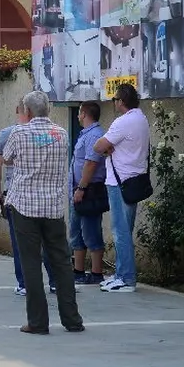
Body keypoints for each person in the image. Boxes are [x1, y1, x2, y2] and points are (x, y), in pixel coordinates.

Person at [2, 91, 85, 334]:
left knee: (31, 263)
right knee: (62, 263)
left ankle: (38, 322)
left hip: (25, 207)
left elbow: (6, 158)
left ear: (27, 111)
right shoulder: (61, 133)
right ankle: (72, 320)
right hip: (53, 207)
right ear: (48, 109)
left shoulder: (19, 133)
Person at [0, 100, 56, 295]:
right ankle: (56, 281)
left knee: (21, 242)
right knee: (48, 240)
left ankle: (24, 284)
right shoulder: (51, 134)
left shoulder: (6, 134)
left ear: (19, 110)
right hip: (45, 194)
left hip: (17, 195)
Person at [93, 83, 150, 293]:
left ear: (121, 101)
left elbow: (98, 146)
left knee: (120, 232)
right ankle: (120, 274)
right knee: (125, 230)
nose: (114, 103)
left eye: (115, 99)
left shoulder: (123, 122)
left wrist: (108, 148)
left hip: (119, 182)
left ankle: (126, 279)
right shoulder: (141, 118)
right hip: (133, 180)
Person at [70, 100, 107, 285]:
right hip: (78, 190)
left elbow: (91, 163)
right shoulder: (86, 134)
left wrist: (82, 188)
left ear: (84, 114)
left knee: (91, 231)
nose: (78, 116)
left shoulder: (95, 135)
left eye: (79, 113)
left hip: (88, 190)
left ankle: (96, 273)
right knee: (76, 231)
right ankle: (78, 271)